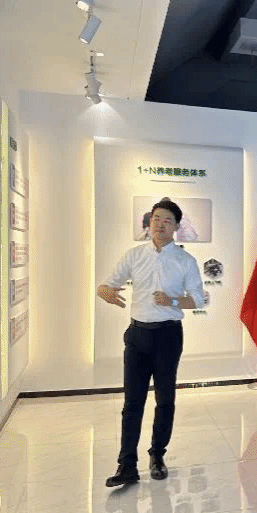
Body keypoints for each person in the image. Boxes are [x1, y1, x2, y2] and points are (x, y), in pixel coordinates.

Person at [97, 198, 206, 487]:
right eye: (156, 218)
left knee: (165, 399)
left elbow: (198, 299)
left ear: (176, 227)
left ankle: (157, 455)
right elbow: (107, 284)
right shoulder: (134, 255)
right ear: (150, 222)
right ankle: (126, 465)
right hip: (137, 336)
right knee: (132, 401)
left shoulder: (185, 261)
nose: (160, 224)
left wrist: (173, 300)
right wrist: (104, 291)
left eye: (167, 220)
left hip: (168, 336)